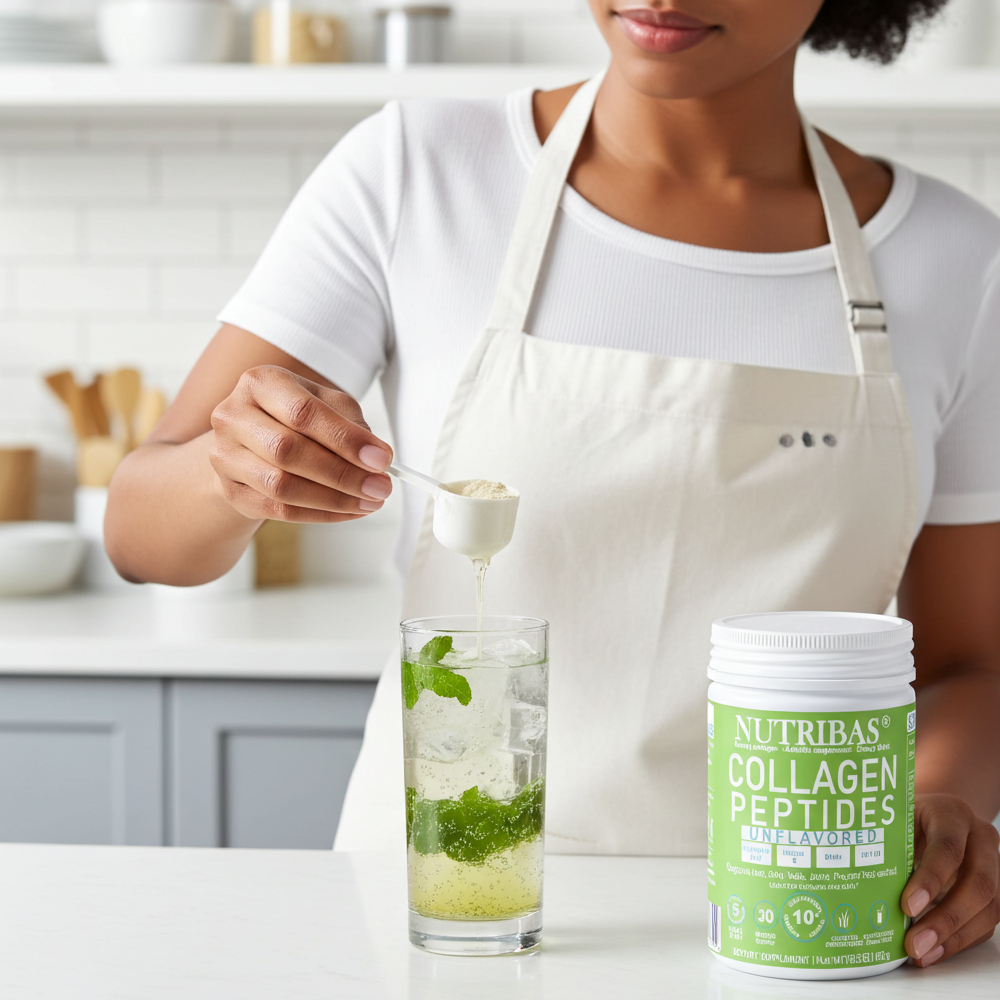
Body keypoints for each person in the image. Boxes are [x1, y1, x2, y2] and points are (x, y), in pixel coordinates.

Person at [105, 0, 1000, 968]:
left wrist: (931, 802)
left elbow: (969, 665)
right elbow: (139, 532)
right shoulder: (419, 173)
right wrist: (233, 471)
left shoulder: (956, 262)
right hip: (439, 922)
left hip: (794, 922)